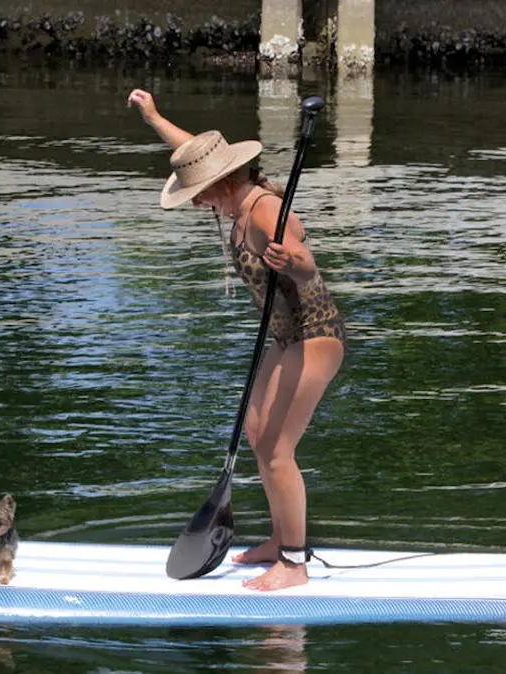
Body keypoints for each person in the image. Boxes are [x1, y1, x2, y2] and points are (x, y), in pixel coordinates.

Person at [127, 89, 346, 591]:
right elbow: (196, 152)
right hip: (285, 337)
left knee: (277, 450)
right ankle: (277, 537)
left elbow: (305, 260)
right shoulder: (233, 193)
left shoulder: (266, 209)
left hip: (315, 334)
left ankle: (293, 563)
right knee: (256, 434)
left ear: (223, 182)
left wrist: (291, 261)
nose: (196, 200)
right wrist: (156, 117)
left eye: (198, 192)